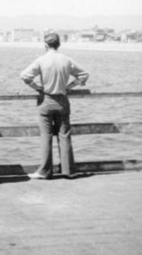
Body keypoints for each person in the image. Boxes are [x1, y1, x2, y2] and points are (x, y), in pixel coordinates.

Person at [20, 32, 89, 179]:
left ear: (46, 45)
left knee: (46, 136)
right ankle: (69, 171)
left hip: (46, 100)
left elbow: (25, 76)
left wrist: (37, 88)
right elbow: (84, 74)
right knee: (64, 136)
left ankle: (45, 171)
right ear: (59, 44)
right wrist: (70, 87)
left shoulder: (41, 60)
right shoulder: (66, 59)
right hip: (62, 100)